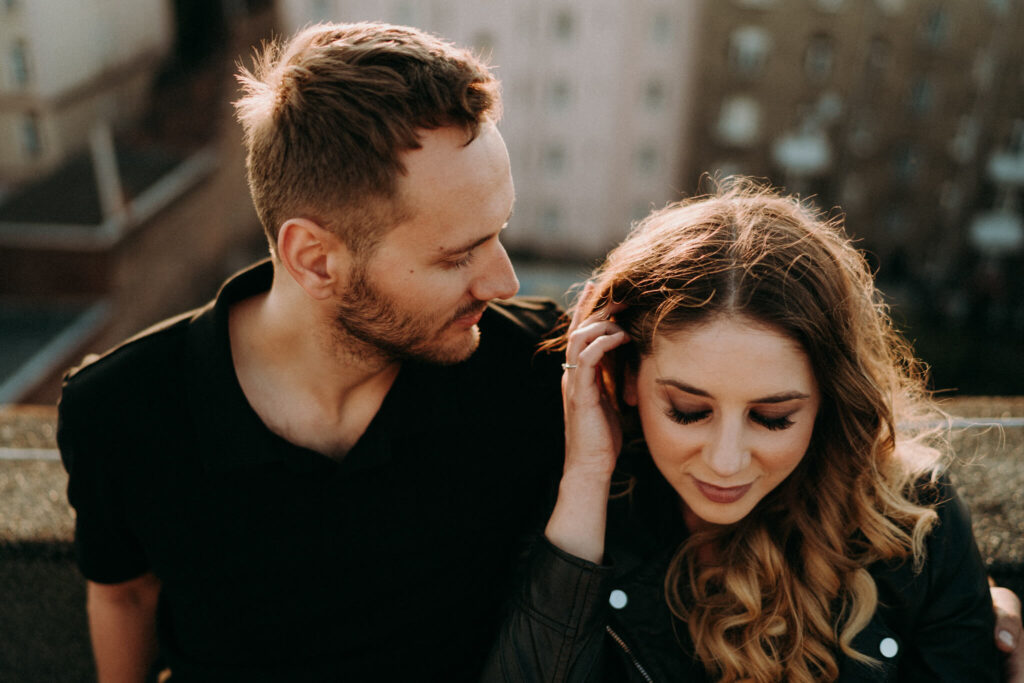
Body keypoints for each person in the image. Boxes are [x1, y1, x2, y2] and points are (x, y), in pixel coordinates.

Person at [56, 23, 565, 681]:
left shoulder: (538, 367)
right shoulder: (120, 410)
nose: (504, 281)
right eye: (457, 254)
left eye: (498, 232)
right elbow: (125, 592)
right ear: (314, 259)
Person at [484, 181, 1007, 682]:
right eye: (688, 411)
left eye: (773, 418)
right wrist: (586, 478)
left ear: (829, 398)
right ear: (627, 378)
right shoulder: (578, 507)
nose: (726, 461)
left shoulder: (918, 524)